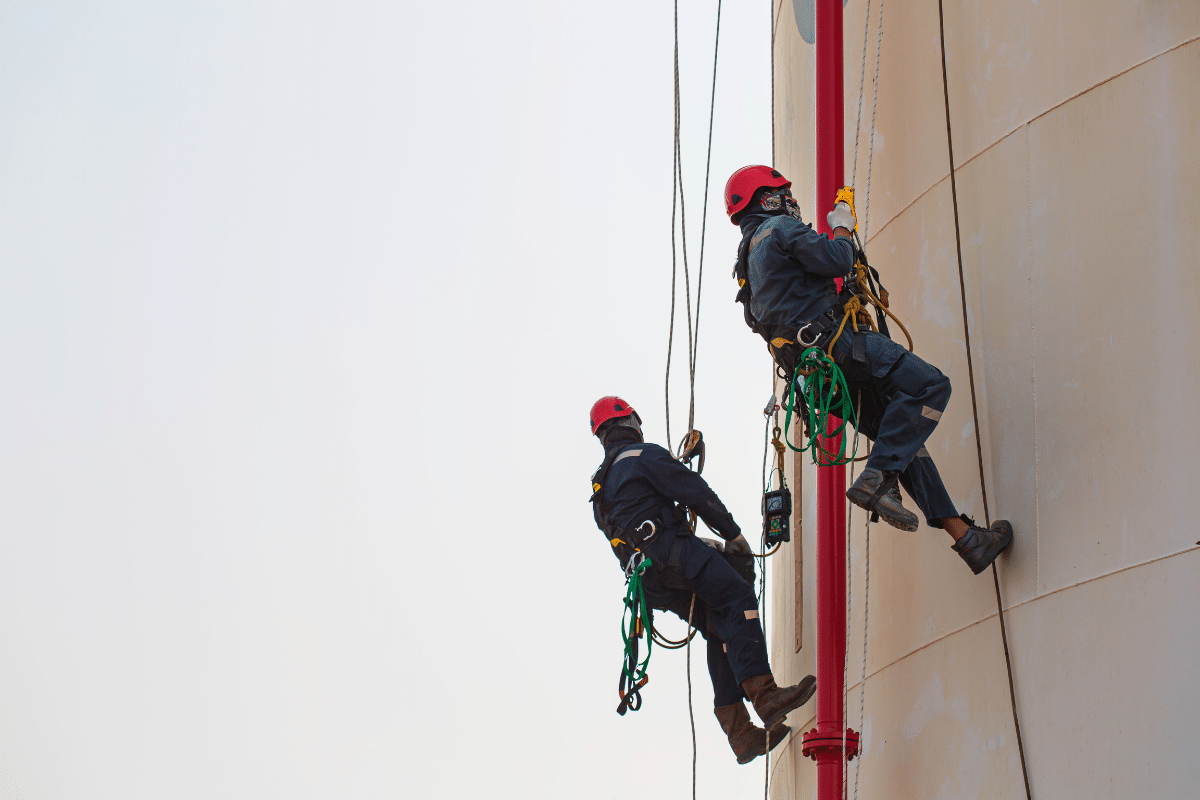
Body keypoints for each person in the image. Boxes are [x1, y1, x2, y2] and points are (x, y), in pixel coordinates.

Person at [723, 165, 1013, 574]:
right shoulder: (780, 231)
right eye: (783, 194)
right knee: (930, 387)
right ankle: (877, 477)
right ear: (765, 200)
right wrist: (842, 226)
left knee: (900, 439)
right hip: (841, 347)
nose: (791, 201)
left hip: (821, 383)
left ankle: (967, 539)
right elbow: (839, 259)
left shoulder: (746, 271)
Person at [588, 396, 816, 764]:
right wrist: (733, 535)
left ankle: (740, 734)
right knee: (737, 596)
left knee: (718, 627)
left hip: (648, 583)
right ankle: (765, 694)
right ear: (629, 422)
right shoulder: (643, 456)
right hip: (671, 554)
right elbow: (695, 492)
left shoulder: (602, 489)